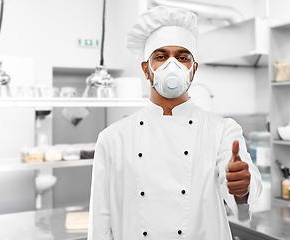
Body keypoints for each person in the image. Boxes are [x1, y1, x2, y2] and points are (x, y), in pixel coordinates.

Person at [87, 6, 262, 240]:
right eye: (160, 56)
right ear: (146, 69)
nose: (173, 65)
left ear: (193, 69)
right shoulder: (112, 138)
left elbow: (241, 198)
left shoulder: (221, 130)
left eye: (182, 57)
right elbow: (100, 219)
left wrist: (241, 187)